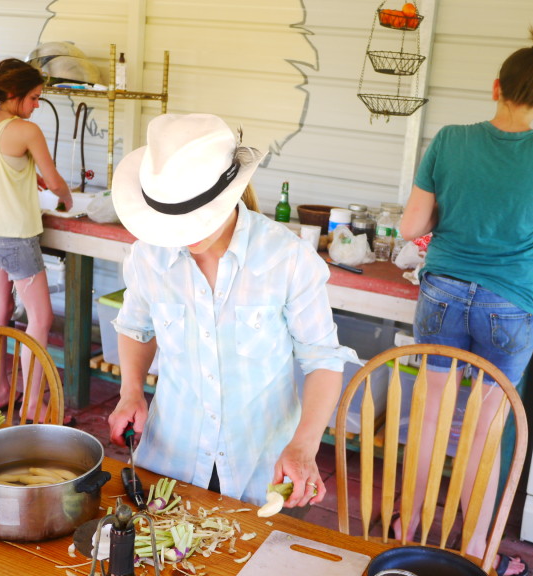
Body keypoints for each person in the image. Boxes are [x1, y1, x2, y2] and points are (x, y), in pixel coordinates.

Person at [397, 24, 533, 575]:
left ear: (495, 87)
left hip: (442, 292)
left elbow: (414, 224)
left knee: (430, 414)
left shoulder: (452, 140)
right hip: (510, 305)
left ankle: (405, 531)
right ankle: (476, 551)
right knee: (485, 432)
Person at [106, 113, 358, 509]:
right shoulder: (147, 256)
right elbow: (137, 329)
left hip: (262, 466)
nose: (181, 237)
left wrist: (304, 446)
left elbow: (324, 360)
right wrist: (131, 391)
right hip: (171, 459)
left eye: (191, 222)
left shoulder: (286, 257)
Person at [0, 58, 73, 419]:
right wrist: (66, 199)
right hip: (17, 240)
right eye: (35, 97)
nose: (37, 105)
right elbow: (54, 179)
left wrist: (28, 177)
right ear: (14, 94)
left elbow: (1, 170)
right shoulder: (25, 130)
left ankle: (0, 392)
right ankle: (33, 405)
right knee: (39, 320)